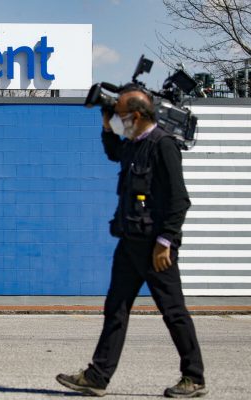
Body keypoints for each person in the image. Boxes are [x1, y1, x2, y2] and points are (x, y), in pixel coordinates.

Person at [56, 89, 207, 398]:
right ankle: (97, 376)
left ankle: (194, 377)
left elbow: (180, 199)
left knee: (173, 311)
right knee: (116, 309)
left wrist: (166, 241)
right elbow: (114, 152)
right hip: (129, 244)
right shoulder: (134, 145)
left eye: (123, 117)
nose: (122, 122)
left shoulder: (163, 145)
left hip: (155, 247)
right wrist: (106, 123)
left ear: (137, 117)